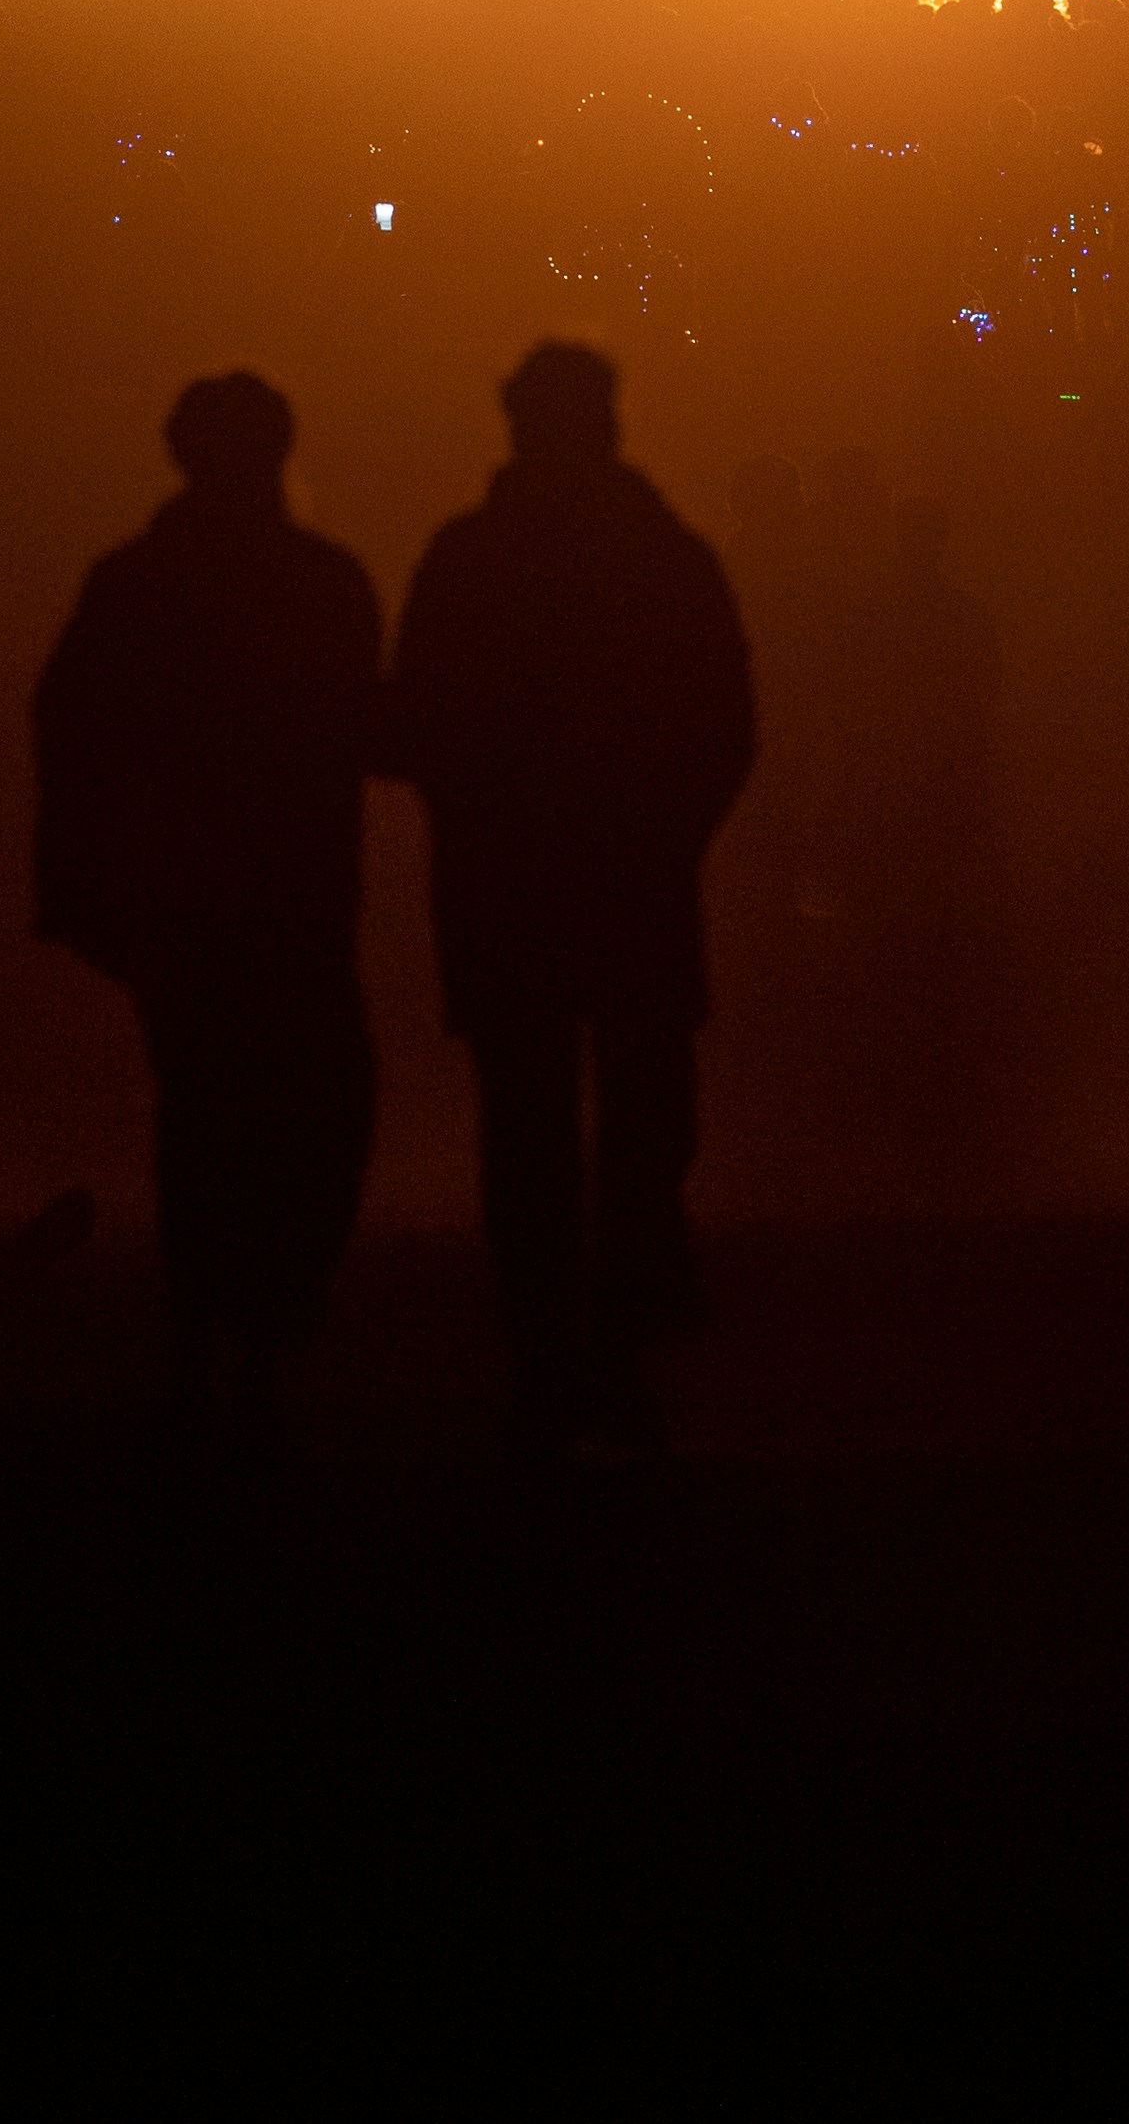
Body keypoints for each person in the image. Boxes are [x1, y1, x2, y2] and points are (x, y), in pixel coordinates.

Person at [387, 339, 756, 1459]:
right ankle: (609, 1339)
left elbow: (414, 726)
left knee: (530, 1127)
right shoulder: (666, 557)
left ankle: (548, 1350)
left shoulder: (467, 558)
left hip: (509, 891)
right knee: (642, 1120)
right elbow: (723, 726)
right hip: (630, 884)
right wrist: (662, 838)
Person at [31, 369, 382, 1433]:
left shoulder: (134, 583)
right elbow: (368, 725)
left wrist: (83, 890)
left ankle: (207, 1332)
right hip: (296, 894)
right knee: (314, 1108)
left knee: (204, 1116)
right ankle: (268, 1316)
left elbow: (70, 737)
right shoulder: (324, 582)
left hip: (182, 897)